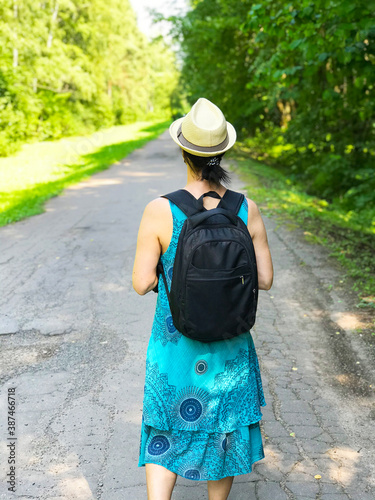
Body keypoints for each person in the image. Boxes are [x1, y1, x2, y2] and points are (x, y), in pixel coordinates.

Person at [132, 97, 274, 500]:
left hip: (174, 344)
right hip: (230, 347)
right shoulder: (246, 209)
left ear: (184, 151)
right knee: (224, 427)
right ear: (223, 152)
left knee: (164, 428)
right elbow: (264, 280)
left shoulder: (160, 209)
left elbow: (142, 283)